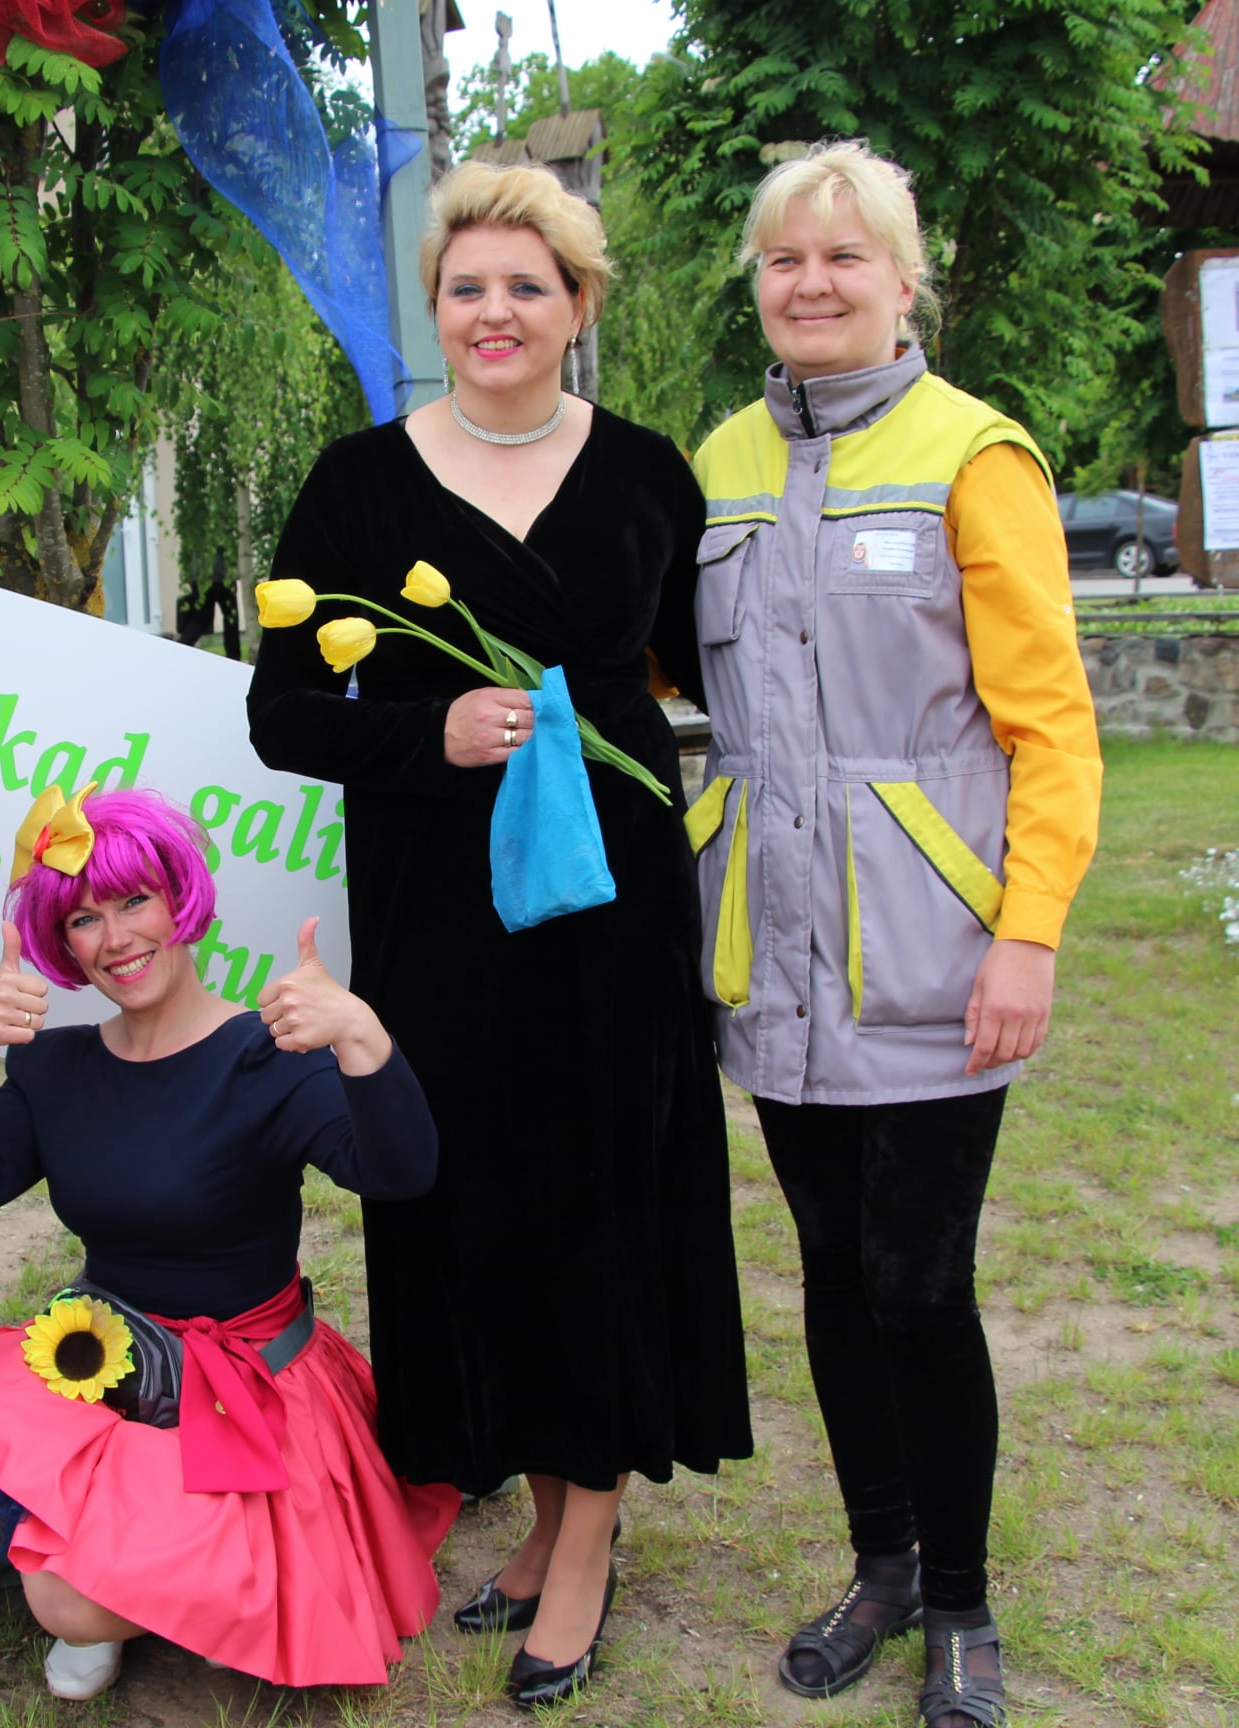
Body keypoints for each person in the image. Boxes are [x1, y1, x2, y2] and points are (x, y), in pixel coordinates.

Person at [246, 160, 754, 1712]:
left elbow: (709, 670)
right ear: (434, 305)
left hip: (611, 902)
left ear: (577, 305)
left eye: (528, 285)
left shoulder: (651, 474)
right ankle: (536, 1518)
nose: (494, 312)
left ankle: (585, 1540)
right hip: (436, 909)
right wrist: (427, 736)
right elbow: (281, 715)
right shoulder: (355, 482)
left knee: (603, 1197)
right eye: (466, 286)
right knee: (476, 1204)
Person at [688, 141, 1102, 1728]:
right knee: (829, 1278)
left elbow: (1050, 728)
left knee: (921, 1282)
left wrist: (1028, 934)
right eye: (785, 258)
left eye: (844, 256)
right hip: (778, 962)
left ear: (903, 278)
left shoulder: (971, 456)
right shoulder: (719, 461)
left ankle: (961, 1605)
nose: (812, 283)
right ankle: (880, 1564)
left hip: (932, 961)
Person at [0, 785, 459, 1702]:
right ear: (63, 942)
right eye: (84, 918)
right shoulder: (58, 1064)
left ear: (180, 900)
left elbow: (400, 1173)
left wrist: (363, 1038)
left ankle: (138, 1589)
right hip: (100, 1360)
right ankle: (140, 1578)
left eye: (134, 901)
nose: (115, 938)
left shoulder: (265, 1056)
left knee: (67, 1603)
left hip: (247, 1389)